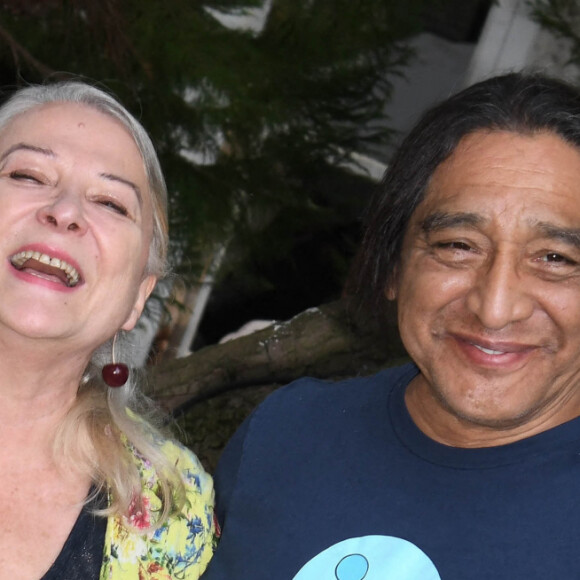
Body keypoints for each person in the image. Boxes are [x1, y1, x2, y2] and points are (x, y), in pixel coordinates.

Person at [203, 71, 580, 579]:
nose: (494, 308)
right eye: (457, 247)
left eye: (554, 257)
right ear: (393, 266)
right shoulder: (288, 434)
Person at [0, 81, 214, 579]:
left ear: (138, 296)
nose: (66, 210)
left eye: (112, 203)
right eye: (28, 174)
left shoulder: (167, 508)